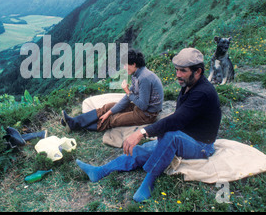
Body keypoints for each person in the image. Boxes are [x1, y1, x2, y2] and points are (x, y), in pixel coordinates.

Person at [76, 48, 222, 202]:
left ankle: (149, 181)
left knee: (170, 136)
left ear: (198, 71)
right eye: (177, 70)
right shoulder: (188, 84)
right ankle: (99, 172)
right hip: (185, 135)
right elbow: (180, 118)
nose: (178, 74)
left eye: (183, 71)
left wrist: (141, 133)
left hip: (201, 145)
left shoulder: (202, 93)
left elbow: (176, 120)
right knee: (139, 151)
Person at [61, 49, 164, 132]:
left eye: (125, 65)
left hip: (147, 115)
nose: (124, 68)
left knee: (113, 119)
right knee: (107, 107)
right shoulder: (136, 75)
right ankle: (74, 121)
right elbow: (127, 99)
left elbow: (143, 105)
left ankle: (75, 127)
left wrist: (128, 92)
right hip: (139, 109)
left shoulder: (144, 78)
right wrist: (109, 112)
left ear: (133, 64)